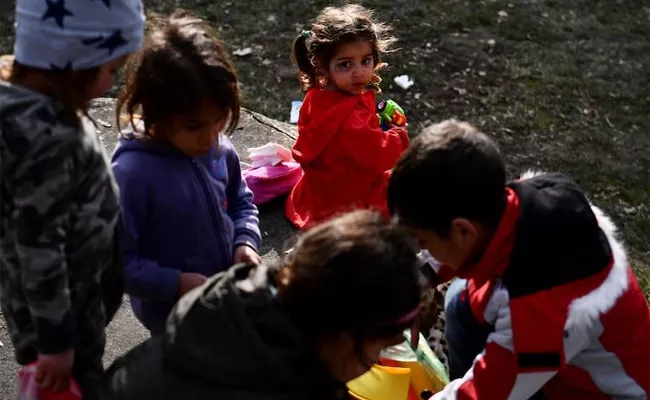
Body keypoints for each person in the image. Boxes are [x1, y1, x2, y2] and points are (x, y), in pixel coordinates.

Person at [387, 119, 650, 399]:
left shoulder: (540, 310)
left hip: (598, 393)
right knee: (460, 300)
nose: (421, 249)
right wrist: (412, 285)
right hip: (555, 361)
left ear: (463, 230)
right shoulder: (520, 202)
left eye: (423, 242)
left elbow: (485, 394)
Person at [96, 210, 421, 399]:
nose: (374, 363)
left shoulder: (237, 309)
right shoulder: (266, 383)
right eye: (379, 348)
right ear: (345, 337)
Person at [0, 0, 144, 397]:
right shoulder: (44, 141)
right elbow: (39, 248)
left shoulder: (29, 100)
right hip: (63, 314)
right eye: (111, 70)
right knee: (79, 383)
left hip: (72, 297)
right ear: (73, 62)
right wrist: (57, 342)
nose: (112, 83)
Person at [111, 11, 262, 335]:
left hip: (222, 298)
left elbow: (240, 202)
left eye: (218, 121)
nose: (209, 138)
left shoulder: (218, 147)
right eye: (194, 126)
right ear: (157, 112)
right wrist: (175, 283)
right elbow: (118, 264)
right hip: (172, 318)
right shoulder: (132, 175)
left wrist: (245, 242)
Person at [285, 4, 410, 230]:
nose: (359, 72)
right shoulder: (353, 121)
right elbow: (382, 157)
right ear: (323, 66)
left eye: (366, 61)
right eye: (345, 64)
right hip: (348, 202)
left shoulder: (315, 96)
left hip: (320, 191)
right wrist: (398, 135)